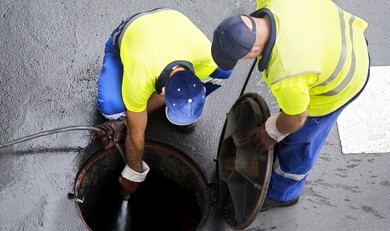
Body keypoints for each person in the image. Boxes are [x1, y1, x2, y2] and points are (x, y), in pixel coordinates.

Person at [211, 0, 370, 211]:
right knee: (291, 110)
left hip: (345, 76)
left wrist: (272, 132)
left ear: (256, 48)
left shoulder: (286, 72)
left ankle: (283, 193)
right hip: (344, 36)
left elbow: (297, 118)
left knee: (299, 139)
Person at [93, 8, 232, 197]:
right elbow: (136, 135)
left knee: (222, 74)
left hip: (169, 21)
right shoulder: (139, 78)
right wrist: (133, 174)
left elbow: (223, 68)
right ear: (164, 92)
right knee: (112, 110)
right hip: (132, 32)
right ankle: (132, 111)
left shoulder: (208, 59)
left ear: (197, 80)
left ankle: (182, 107)